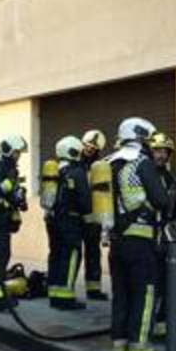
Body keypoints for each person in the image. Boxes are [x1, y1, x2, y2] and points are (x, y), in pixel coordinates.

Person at [106, 117, 171, 351]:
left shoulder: (108, 163)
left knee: (121, 294)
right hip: (141, 239)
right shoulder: (142, 163)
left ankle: (119, 346)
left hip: (116, 239)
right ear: (143, 137)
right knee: (144, 294)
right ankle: (139, 349)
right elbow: (161, 201)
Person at [47, 136, 92, 310]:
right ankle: (66, 297)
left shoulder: (54, 170)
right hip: (71, 221)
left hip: (52, 220)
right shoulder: (77, 172)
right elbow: (85, 201)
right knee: (72, 256)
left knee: (56, 255)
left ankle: (54, 295)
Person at [0, 135, 29, 310]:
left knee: (3, 257)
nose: (19, 156)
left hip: (2, 224)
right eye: (17, 152)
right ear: (8, 151)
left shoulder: (9, 170)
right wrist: (10, 185)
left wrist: (18, 198)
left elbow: (9, 195)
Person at [149, 132, 176, 336]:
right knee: (150, 284)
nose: (161, 155)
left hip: (166, 236)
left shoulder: (171, 177)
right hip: (147, 235)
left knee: (168, 282)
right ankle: (147, 325)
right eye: (157, 150)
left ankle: (163, 326)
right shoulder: (144, 174)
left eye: (165, 151)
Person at [81, 129, 110, 301]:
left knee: (93, 253)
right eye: (87, 146)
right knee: (73, 253)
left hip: (93, 216)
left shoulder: (100, 166)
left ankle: (93, 289)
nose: (88, 149)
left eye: (92, 147)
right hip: (77, 214)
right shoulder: (74, 162)